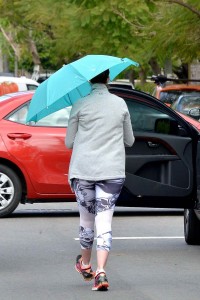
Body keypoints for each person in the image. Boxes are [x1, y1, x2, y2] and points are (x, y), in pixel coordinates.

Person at [65, 69, 135, 291]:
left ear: (89, 81)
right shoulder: (120, 104)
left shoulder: (79, 104)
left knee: (87, 222)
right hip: (112, 171)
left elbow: (68, 143)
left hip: (83, 170)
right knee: (104, 222)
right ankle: (102, 273)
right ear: (108, 79)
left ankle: (85, 265)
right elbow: (130, 140)